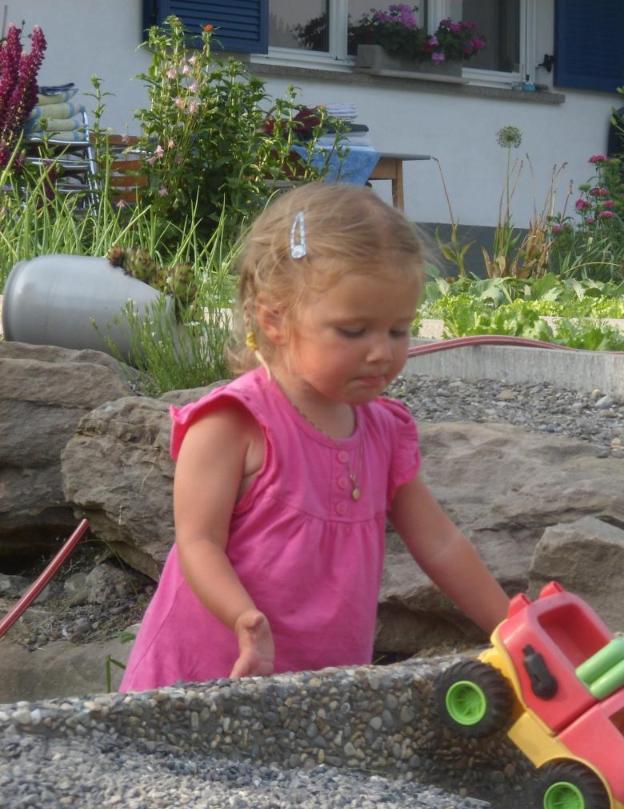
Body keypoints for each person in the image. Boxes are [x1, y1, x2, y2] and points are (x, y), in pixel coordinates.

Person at [119, 182, 508, 691]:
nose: (381, 352)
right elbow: (198, 541)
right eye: (354, 331)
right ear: (274, 319)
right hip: (206, 677)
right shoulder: (235, 423)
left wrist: (511, 626)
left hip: (320, 687)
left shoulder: (384, 432)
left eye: (398, 330)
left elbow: (439, 543)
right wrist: (241, 616)